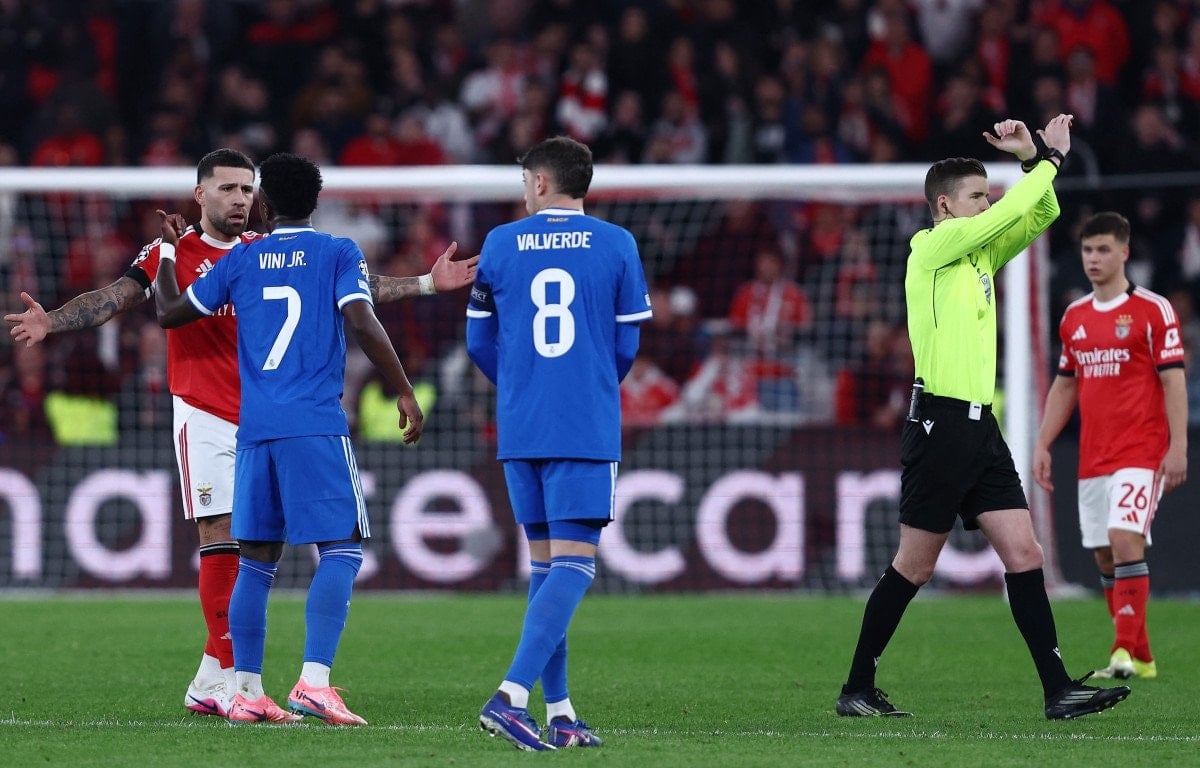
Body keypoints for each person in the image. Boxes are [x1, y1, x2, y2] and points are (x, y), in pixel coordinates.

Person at [5, 148, 476, 719]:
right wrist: (53, 320)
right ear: (199, 194)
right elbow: (113, 298)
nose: (239, 199)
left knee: (255, 553)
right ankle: (234, 684)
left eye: (247, 189)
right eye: (227, 188)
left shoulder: (256, 251)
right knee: (228, 542)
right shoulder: (172, 252)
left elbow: (357, 286)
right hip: (205, 411)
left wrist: (425, 282)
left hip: (257, 418)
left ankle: (214, 679)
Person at [835, 114, 1132, 720]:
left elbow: (1040, 213)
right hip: (940, 425)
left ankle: (1058, 690)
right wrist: (1048, 157)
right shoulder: (931, 247)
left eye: (988, 196)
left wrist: (1032, 162)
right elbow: (1014, 209)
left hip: (980, 429)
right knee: (914, 566)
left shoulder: (976, 255)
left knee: (1026, 554)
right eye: (977, 196)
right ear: (944, 206)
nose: (988, 204)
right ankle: (857, 687)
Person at [153, 151, 422, 725]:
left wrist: (170, 252)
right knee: (343, 548)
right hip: (314, 423)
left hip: (254, 430)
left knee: (254, 562)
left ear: (264, 205)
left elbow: (171, 312)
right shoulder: (338, 252)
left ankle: (246, 691)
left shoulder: (242, 257)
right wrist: (403, 388)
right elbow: (362, 319)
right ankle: (314, 683)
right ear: (316, 203)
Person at [466, 136, 652, 750]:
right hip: (583, 423)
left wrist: (524, 385)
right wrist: (584, 384)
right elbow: (626, 346)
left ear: (541, 183)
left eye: (525, 180)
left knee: (547, 569)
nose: (524, 190)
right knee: (575, 566)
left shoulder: (499, 243)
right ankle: (510, 696)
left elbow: (477, 341)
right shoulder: (617, 243)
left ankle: (562, 712)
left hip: (521, 426)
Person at [1033, 211, 1187, 680]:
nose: (1094, 258)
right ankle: (1142, 656)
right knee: (1104, 553)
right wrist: (1042, 443)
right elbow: (1065, 384)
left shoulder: (1153, 310)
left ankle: (1120, 650)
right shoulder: (1074, 318)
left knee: (1124, 538)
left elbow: (1173, 380)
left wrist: (1177, 446)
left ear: (1124, 252)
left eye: (1103, 249)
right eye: (1088, 250)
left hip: (1141, 450)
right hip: (1093, 455)